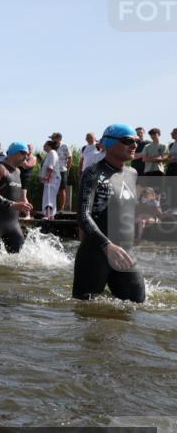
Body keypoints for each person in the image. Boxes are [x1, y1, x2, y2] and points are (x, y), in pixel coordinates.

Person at [73, 124, 145, 303]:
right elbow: (83, 215)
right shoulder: (93, 173)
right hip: (96, 253)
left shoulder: (132, 173)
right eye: (127, 141)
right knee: (86, 313)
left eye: (136, 141)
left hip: (125, 253)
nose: (134, 145)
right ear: (108, 143)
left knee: (137, 306)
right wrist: (106, 245)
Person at [0, 142, 32, 254]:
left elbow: (11, 194)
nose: (26, 157)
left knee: (20, 262)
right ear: (13, 153)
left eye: (28, 154)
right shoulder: (0, 168)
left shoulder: (18, 172)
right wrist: (13, 204)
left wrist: (22, 205)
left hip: (13, 224)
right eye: (23, 153)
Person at [50, 132, 71, 212]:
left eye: (53, 138)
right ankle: (53, 206)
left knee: (62, 189)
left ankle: (61, 208)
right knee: (53, 188)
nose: (52, 139)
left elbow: (70, 158)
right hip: (53, 171)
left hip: (62, 170)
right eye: (52, 138)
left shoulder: (65, 146)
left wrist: (67, 169)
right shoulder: (52, 147)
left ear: (59, 138)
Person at [39, 140, 60, 220]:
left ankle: (48, 215)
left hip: (52, 178)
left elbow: (51, 166)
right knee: (49, 196)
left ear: (49, 146)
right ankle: (50, 215)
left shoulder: (52, 153)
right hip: (51, 177)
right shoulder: (50, 153)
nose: (43, 147)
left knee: (49, 197)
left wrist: (47, 176)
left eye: (44, 145)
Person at [18, 144, 38, 219]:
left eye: (30, 149)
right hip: (19, 177)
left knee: (23, 196)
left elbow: (27, 166)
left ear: (32, 149)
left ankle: (28, 214)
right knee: (18, 196)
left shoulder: (33, 158)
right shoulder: (23, 157)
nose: (28, 150)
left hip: (25, 178)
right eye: (27, 148)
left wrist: (23, 159)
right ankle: (19, 213)